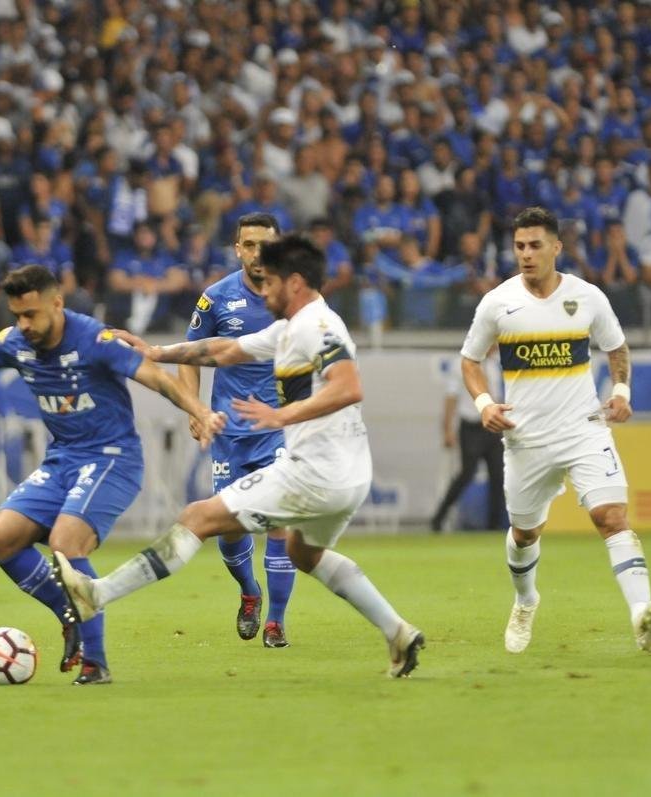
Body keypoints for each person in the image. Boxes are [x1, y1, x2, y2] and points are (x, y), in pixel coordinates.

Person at [54, 235, 426, 678]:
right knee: (307, 556)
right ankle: (398, 632)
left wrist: (282, 414)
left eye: (268, 283)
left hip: (314, 473)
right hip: (347, 474)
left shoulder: (318, 326)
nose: (261, 291)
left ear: (295, 282)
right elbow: (221, 350)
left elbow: (348, 387)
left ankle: (96, 594)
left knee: (197, 518)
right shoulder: (288, 327)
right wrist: (156, 352)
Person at [0, 265, 224, 685]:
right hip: (62, 459)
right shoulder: (15, 342)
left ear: (57, 303)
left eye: (31, 314)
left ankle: (95, 662)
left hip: (112, 458)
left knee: (66, 542)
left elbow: (155, 377)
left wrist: (201, 411)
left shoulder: (94, 339)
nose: (23, 325)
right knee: (1, 539)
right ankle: (69, 613)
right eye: (17, 315)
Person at [460, 207, 651, 655]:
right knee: (524, 534)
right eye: (519, 246)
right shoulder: (498, 303)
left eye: (535, 245)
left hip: (583, 430)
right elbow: (470, 360)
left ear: (557, 247)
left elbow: (616, 348)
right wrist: (484, 403)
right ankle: (525, 600)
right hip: (525, 438)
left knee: (610, 517)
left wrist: (623, 392)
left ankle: (641, 614)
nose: (526, 255)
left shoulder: (587, 297)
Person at [182, 212, 296, 648]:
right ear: (237, 249)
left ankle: (276, 621)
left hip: (278, 429)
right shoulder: (215, 298)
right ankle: (249, 592)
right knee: (230, 530)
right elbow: (190, 356)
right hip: (229, 432)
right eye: (248, 245)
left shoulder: (295, 296)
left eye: (264, 244)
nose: (257, 253)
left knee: (279, 523)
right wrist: (194, 409)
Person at [430, 346, 505, 532]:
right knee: (466, 474)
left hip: (493, 427)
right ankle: (439, 518)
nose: (496, 347)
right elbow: (451, 398)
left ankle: (494, 525)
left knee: (498, 476)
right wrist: (447, 429)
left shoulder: (495, 366)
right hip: (471, 427)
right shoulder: (462, 364)